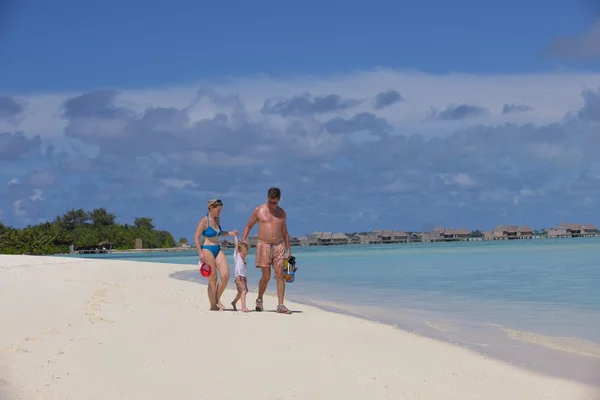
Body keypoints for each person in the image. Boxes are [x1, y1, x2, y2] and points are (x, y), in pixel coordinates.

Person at [241, 187, 293, 314]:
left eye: (274, 203)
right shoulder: (259, 210)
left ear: (279, 200)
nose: (272, 205)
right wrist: (243, 240)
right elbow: (248, 226)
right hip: (263, 245)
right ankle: (259, 299)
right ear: (267, 198)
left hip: (278, 245)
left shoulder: (282, 213)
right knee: (266, 276)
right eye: (270, 202)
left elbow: (285, 232)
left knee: (280, 274)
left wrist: (288, 250)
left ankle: (280, 305)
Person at [194, 199, 238, 311]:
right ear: (211, 208)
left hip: (217, 248)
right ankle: (213, 305)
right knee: (213, 278)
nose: (219, 212)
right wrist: (200, 254)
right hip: (207, 249)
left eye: (220, 210)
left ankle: (217, 298)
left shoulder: (217, 219)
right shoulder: (204, 221)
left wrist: (230, 233)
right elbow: (196, 236)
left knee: (225, 275)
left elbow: (219, 233)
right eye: (218, 210)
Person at [230, 236, 250, 312]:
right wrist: (235, 236)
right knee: (243, 291)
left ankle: (234, 302)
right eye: (243, 253)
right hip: (238, 277)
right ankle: (243, 307)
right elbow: (236, 245)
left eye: (246, 253)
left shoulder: (243, 259)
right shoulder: (237, 257)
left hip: (243, 278)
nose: (245, 255)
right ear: (239, 251)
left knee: (241, 292)